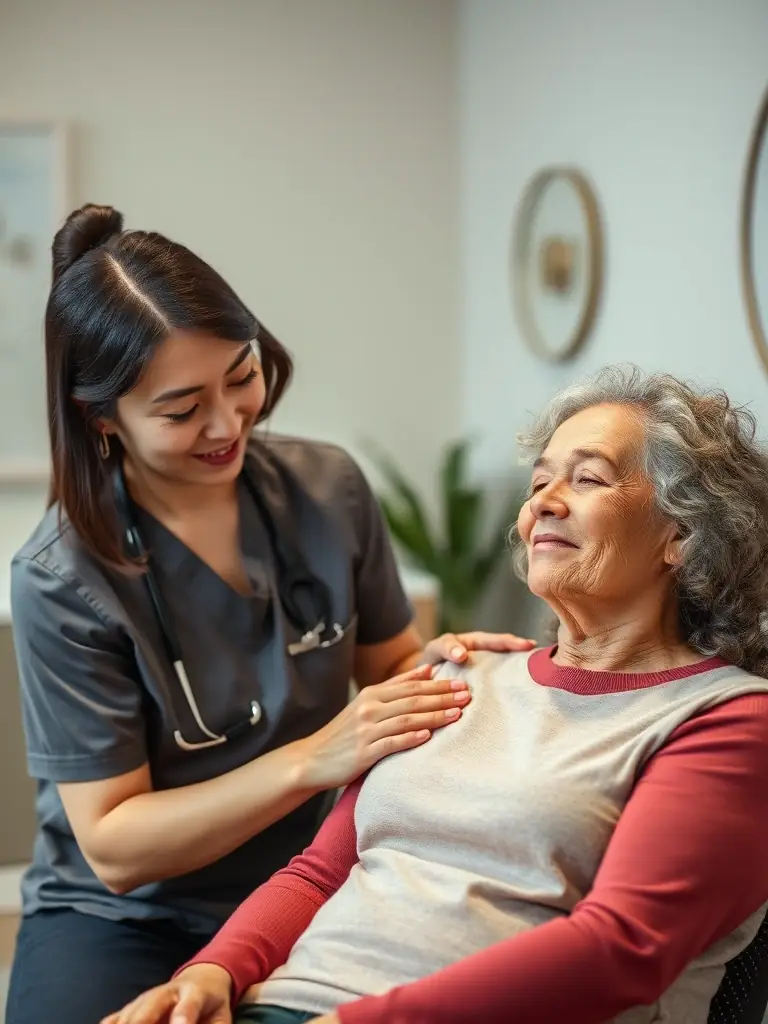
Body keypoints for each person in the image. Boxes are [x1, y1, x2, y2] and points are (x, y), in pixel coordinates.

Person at [108, 365, 768, 1024]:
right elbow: (319, 872)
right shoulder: (458, 672)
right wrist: (212, 973)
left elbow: (619, 949)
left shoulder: (727, 721)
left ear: (681, 534)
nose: (544, 502)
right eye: (539, 482)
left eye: (588, 478)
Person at [5, 203, 533, 1024]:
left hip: (310, 878)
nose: (228, 423)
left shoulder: (328, 490)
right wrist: (315, 758)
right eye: (182, 409)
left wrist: (446, 669)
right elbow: (113, 844)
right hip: (123, 916)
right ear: (101, 418)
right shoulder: (61, 578)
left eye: (241, 374)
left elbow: (392, 662)